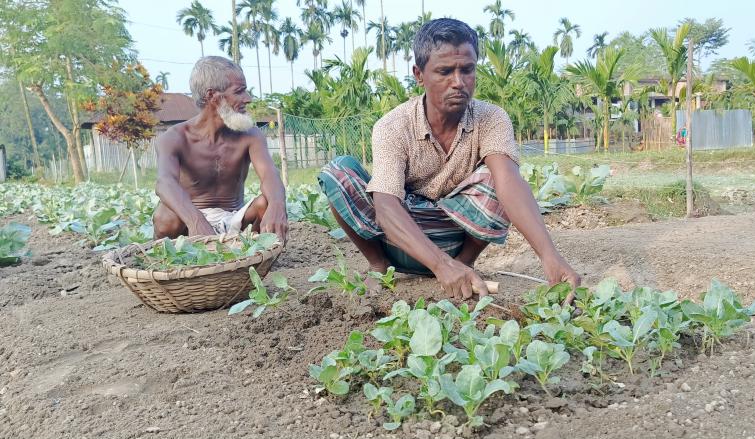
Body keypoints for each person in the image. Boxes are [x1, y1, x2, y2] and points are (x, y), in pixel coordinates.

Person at [319, 19, 580, 299]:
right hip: (401, 240)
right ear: (419, 75)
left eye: (467, 70)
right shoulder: (393, 126)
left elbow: (508, 184)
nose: (458, 82)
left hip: (455, 235)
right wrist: (440, 265)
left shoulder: (491, 118)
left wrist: (549, 256)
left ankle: (464, 265)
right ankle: (378, 265)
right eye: (444, 71)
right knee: (339, 172)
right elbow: (385, 207)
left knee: (501, 178)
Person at [152, 56, 288, 243]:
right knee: (165, 216)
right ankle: (171, 263)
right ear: (212, 96)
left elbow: (269, 175)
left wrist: (277, 205)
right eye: (239, 92)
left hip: (234, 220)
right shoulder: (173, 138)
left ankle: (253, 259)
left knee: (267, 203)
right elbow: (164, 183)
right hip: (189, 223)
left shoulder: (250, 135)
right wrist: (196, 221)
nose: (247, 99)